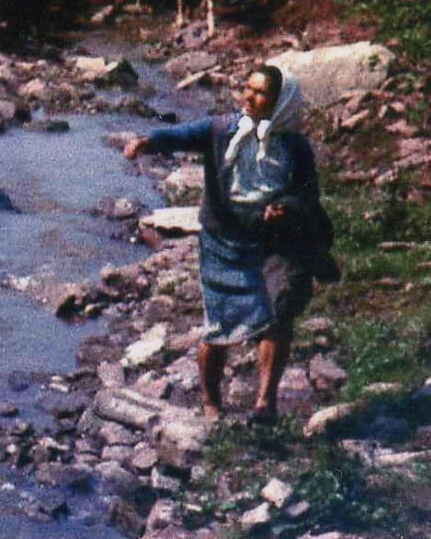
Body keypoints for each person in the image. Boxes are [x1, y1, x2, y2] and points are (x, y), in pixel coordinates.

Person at [122, 65, 336, 425]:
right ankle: (210, 401)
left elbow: (307, 193)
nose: (249, 97)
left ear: (280, 102)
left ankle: (265, 404)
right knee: (220, 327)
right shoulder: (221, 130)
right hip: (223, 240)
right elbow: (181, 134)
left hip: (272, 241)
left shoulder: (294, 146)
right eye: (247, 88)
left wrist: (285, 206)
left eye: (261, 92)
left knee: (278, 315)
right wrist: (148, 141)